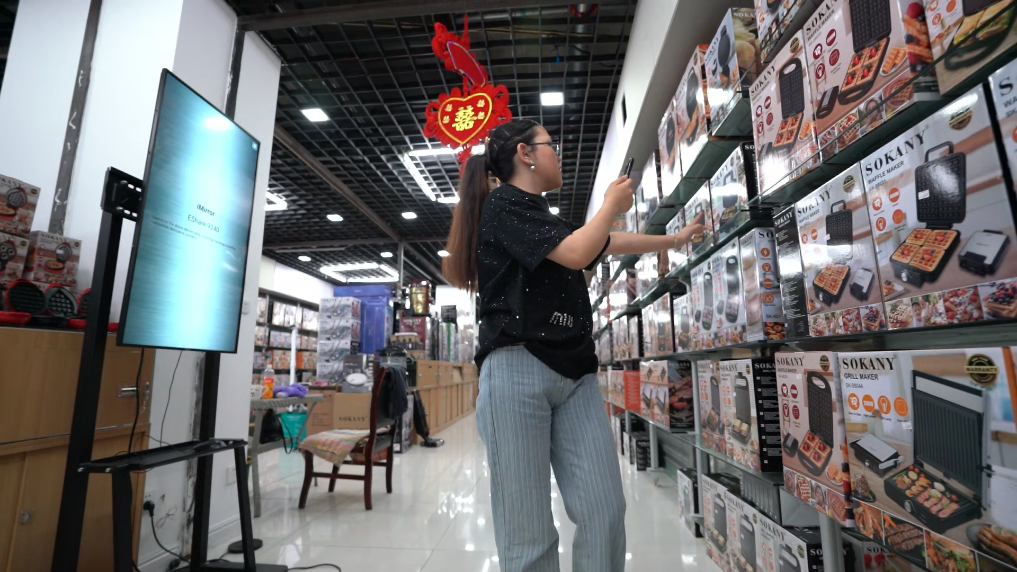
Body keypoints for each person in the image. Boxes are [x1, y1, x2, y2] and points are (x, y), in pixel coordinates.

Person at [443, 118, 706, 572]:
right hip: (516, 370)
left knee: (605, 511)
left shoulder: (541, 217)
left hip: (576, 372)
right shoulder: (504, 205)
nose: (558, 154)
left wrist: (674, 239)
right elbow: (580, 252)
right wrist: (610, 206)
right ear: (526, 153)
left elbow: (604, 241)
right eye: (551, 144)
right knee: (528, 535)